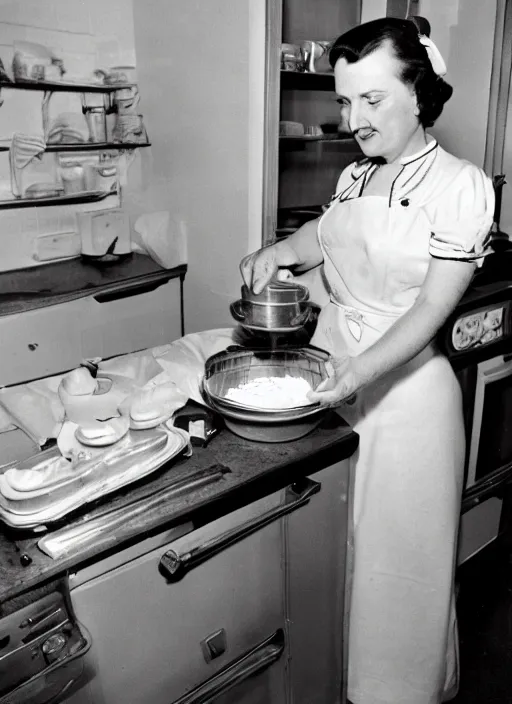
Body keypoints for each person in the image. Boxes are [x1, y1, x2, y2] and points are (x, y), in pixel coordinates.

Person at [240, 17, 495, 704]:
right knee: (336, 545)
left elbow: (427, 314)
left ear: (420, 92)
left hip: (407, 398)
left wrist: (355, 372)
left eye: (372, 100)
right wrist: (278, 253)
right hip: (337, 379)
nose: (353, 119)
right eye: (344, 102)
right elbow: (323, 236)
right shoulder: (355, 177)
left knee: (398, 565)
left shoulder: (461, 187)